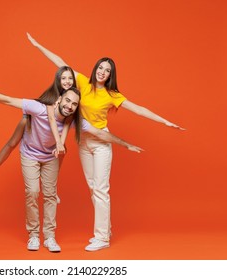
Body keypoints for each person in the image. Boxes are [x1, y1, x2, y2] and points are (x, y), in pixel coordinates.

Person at [26, 32, 185, 251]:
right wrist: (37, 45)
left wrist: (165, 121)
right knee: (93, 188)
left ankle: (102, 238)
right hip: (84, 142)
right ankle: (106, 229)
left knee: (101, 189)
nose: (102, 72)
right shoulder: (82, 83)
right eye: (100, 68)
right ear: (95, 69)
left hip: (101, 143)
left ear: (110, 75)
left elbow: (138, 109)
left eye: (107, 70)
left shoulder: (112, 94)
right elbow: (61, 63)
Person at [0, 84, 143, 253]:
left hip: (50, 158)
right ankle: (33, 235)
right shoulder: (38, 109)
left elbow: (99, 132)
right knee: (32, 192)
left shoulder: (73, 121)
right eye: (68, 100)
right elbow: (7, 100)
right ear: (59, 100)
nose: (70, 106)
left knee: (50, 195)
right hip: (29, 154)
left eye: (74, 104)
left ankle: (49, 237)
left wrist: (126, 144)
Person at [0, 66, 76, 195]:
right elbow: (51, 118)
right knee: (12, 143)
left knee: (62, 151)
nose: (67, 81)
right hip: (32, 118)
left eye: (70, 78)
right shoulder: (54, 96)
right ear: (58, 80)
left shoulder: (73, 98)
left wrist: (60, 143)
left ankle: (51, 187)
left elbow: (68, 121)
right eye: (64, 78)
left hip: (49, 132)